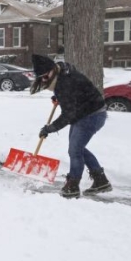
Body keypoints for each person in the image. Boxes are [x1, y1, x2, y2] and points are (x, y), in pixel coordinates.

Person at [30, 54, 111, 198]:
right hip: (85, 113)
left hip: (91, 115)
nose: (43, 80)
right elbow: (75, 95)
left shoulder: (65, 82)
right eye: (40, 77)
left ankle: (72, 186)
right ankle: (100, 180)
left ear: (52, 70)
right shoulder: (62, 75)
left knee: (75, 151)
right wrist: (59, 98)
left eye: (45, 76)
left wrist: (50, 128)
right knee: (77, 149)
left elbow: (68, 115)